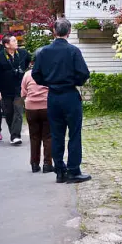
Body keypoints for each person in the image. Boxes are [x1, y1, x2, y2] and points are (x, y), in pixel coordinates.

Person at [32, 18, 91, 184]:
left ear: (54, 32)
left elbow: (36, 74)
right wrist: (74, 82)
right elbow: (83, 73)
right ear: (69, 32)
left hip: (53, 96)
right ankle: (73, 170)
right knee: (74, 133)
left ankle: (59, 170)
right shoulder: (73, 51)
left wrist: (48, 82)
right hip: (69, 95)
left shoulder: (43, 52)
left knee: (56, 135)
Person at [0, 35, 30, 145]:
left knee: (18, 111)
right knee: (9, 113)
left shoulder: (23, 53)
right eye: (13, 41)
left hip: (19, 89)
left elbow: (27, 62)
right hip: (5, 90)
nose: (16, 42)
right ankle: (13, 134)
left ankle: (16, 136)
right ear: (7, 44)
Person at [22, 54, 53, 173]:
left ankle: (34, 164)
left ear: (32, 62)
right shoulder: (49, 72)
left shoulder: (27, 74)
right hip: (46, 106)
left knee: (34, 136)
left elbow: (23, 92)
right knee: (48, 136)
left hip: (31, 108)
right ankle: (47, 164)